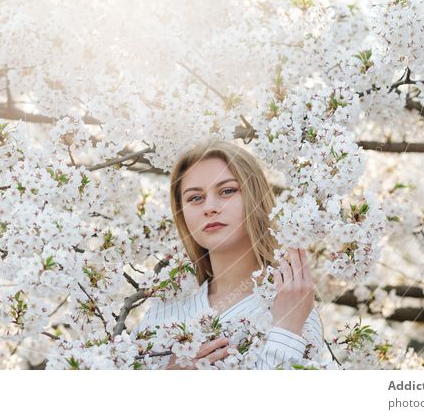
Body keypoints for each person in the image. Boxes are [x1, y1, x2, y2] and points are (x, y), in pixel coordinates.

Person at [131, 139, 325, 369]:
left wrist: (286, 332)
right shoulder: (164, 312)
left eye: (227, 191)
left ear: (254, 199)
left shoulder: (292, 307)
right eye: (195, 198)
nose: (210, 207)